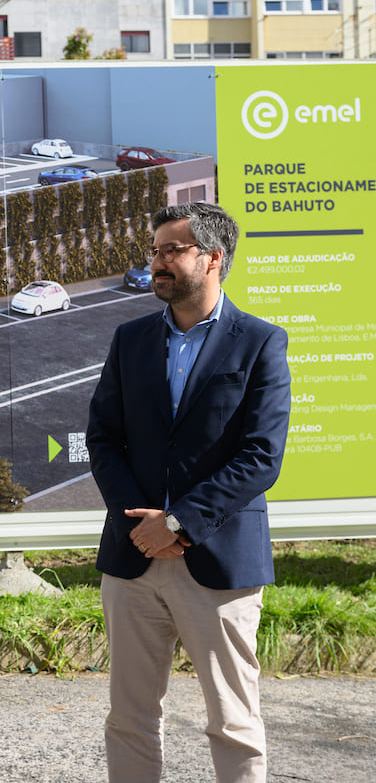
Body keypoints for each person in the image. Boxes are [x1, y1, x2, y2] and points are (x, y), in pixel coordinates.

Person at [86, 202, 292, 783]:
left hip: (220, 560)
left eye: (172, 250)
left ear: (213, 258)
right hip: (133, 556)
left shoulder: (260, 342)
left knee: (233, 720)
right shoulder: (130, 339)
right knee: (129, 718)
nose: (158, 262)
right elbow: (103, 439)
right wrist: (141, 524)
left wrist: (177, 523)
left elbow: (261, 456)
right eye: (155, 251)